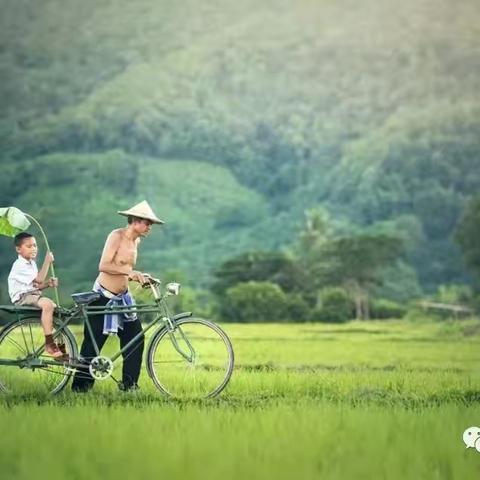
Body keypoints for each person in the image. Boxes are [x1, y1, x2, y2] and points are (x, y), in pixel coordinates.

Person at [71, 200, 164, 392]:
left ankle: (130, 386)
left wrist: (140, 276)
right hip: (103, 296)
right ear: (136, 221)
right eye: (147, 223)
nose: (149, 228)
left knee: (135, 338)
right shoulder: (116, 236)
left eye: (151, 225)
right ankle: (80, 389)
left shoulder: (135, 241)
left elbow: (126, 268)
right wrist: (130, 273)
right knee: (93, 344)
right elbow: (104, 266)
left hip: (123, 298)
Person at [8, 232, 61, 358]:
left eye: (35, 246)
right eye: (29, 246)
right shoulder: (20, 265)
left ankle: (61, 346)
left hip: (32, 294)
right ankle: (49, 343)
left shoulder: (31, 263)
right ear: (18, 249)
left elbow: (37, 285)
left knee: (55, 308)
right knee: (48, 305)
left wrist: (48, 283)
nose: (34, 249)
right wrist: (47, 262)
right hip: (23, 297)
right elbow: (39, 280)